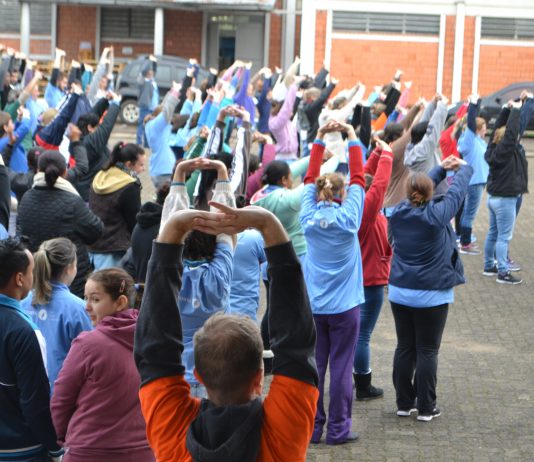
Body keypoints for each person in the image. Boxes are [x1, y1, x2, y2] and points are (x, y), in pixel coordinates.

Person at [134, 203, 319, 461]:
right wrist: (267, 223)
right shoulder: (282, 432)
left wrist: (174, 227)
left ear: (198, 375)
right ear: (259, 377)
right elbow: (296, 348)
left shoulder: (174, 432)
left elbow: (155, 355)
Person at [388, 156, 472, 421]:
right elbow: (457, 192)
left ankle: (404, 403)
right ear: (430, 193)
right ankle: (426, 407)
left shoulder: (397, 212)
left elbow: (419, 188)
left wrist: (440, 170)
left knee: (405, 347)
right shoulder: (437, 214)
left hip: (400, 291)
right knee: (427, 350)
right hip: (432, 294)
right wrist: (463, 168)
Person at [300, 120, 365, 445]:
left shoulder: (307, 218)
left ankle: (312, 429)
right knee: (341, 368)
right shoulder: (349, 218)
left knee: (315, 368)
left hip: (314, 307)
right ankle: (338, 430)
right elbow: (360, 178)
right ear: (342, 194)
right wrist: (352, 136)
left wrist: (319, 138)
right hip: (345, 308)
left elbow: (308, 178)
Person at [51, 268, 154, 461]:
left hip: (89, 450)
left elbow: (61, 400)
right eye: (86, 298)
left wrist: (63, 437)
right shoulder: (152, 341)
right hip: (143, 450)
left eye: (95, 299)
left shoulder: (87, 345)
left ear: (120, 302)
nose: (87, 307)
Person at [159, 157, 236, 397]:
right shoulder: (219, 274)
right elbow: (225, 226)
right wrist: (221, 172)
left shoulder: (168, 275)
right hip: (214, 378)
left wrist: (180, 173)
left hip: (173, 375)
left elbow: (169, 226)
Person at [0, 237, 64, 461]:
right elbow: (35, 402)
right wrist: (55, 448)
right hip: (21, 450)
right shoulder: (24, 331)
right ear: (20, 279)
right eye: (32, 271)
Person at [17, 151, 103, 297]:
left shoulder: (26, 198)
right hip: (69, 276)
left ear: (37, 170)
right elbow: (96, 231)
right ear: (65, 172)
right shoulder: (73, 201)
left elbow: (21, 233)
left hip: (37, 275)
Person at [21, 237, 92, 391]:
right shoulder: (78, 308)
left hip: (25, 389)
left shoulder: (22, 301)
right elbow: (90, 355)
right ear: (69, 268)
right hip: (62, 393)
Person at [353, 137, 393, 400]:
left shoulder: (353, 207)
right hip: (370, 281)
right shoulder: (365, 215)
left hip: (361, 278)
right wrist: (387, 156)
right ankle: (363, 384)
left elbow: (364, 178)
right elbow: (378, 185)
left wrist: (376, 153)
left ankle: (354, 377)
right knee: (362, 335)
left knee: (358, 333)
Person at [483, 93, 533, 284]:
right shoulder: (506, 150)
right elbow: (511, 133)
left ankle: (489, 266)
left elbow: (497, 131)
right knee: (503, 237)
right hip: (505, 200)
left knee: (493, 233)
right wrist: (517, 111)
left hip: (493, 198)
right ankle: (503, 273)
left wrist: (506, 110)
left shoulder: (491, 149)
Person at [88, 142, 145, 270]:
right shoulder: (129, 185)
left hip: (93, 245)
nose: (143, 169)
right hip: (115, 250)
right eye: (141, 165)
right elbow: (134, 222)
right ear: (129, 164)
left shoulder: (100, 177)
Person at [456, 94, 489, 255]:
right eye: (484, 128)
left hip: (478, 181)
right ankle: (465, 243)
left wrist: (478, 103)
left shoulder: (478, 140)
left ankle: (463, 240)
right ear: (477, 129)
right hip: (474, 182)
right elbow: (470, 122)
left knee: (467, 212)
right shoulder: (469, 140)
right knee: (469, 213)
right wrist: (473, 105)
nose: (486, 130)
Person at [136, 55, 158, 146]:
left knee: (148, 126)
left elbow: (155, 70)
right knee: (142, 124)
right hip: (145, 107)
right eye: (149, 72)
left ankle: (146, 144)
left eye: (152, 72)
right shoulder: (143, 81)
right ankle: (138, 142)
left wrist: (154, 62)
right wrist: (149, 60)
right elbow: (143, 70)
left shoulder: (152, 81)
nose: (151, 73)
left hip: (152, 108)